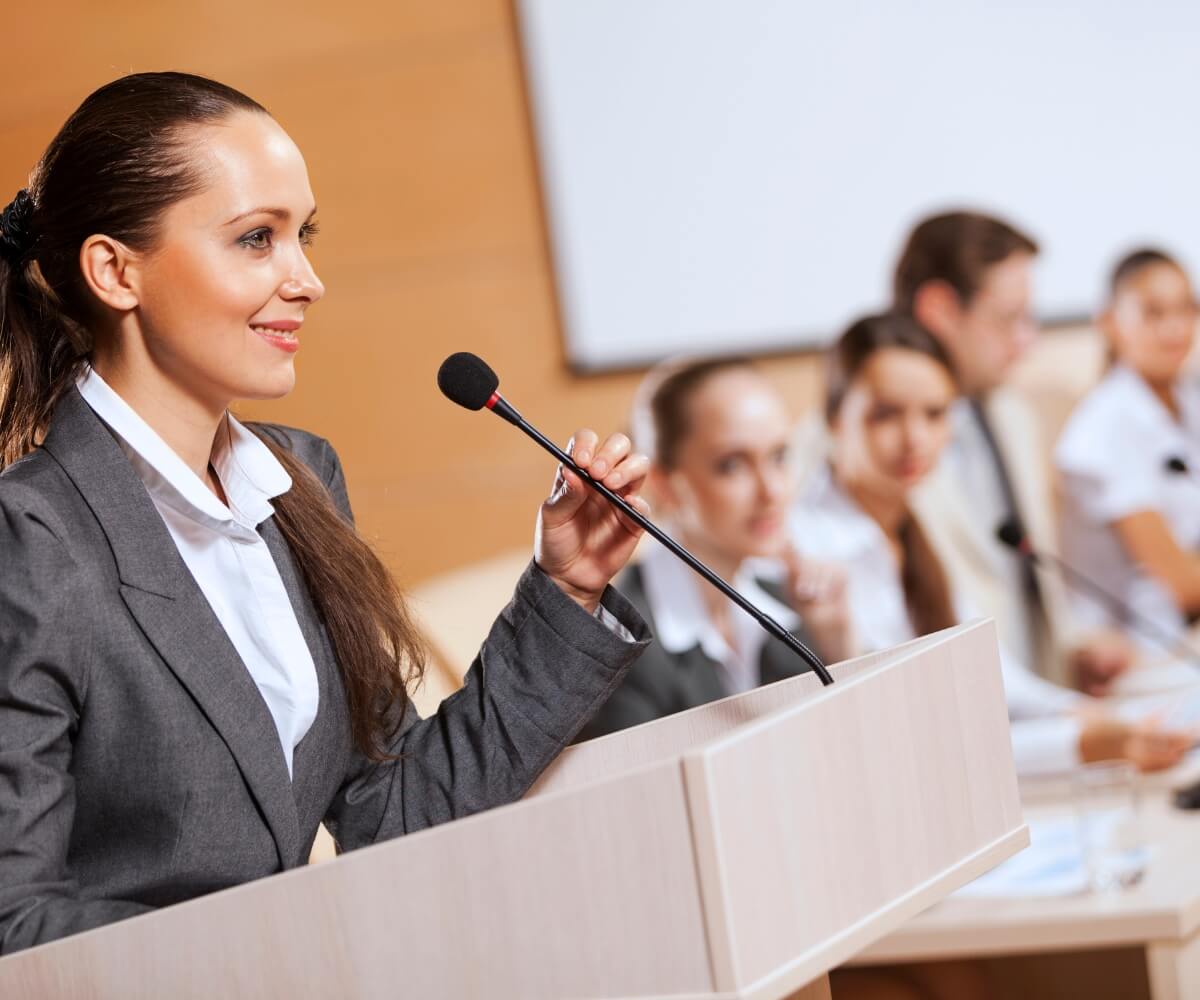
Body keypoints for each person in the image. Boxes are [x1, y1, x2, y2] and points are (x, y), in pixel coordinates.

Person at [0, 72, 654, 955]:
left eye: (302, 235)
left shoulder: (301, 479)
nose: (306, 280)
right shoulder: (29, 540)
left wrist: (566, 587)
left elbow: (392, 809)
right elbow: (16, 920)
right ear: (117, 271)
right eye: (256, 239)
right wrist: (291, 953)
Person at [791, 312, 1192, 776]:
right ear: (835, 418)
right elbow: (913, 742)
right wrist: (1083, 740)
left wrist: (1095, 718)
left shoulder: (913, 526)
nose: (915, 438)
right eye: (886, 415)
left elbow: (996, 680)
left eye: (935, 414)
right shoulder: (811, 550)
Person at [896, 210, 1132, 694]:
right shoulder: (866, 445)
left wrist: (1070, 653)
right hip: (953, 712)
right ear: (940, 309)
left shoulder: (1012, 414)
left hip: (1040, 717)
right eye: (1008, 318)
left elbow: (1022, 580)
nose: (1027, 340)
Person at [576, 358, 852, 740]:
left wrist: (835, 643)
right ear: (666, 484)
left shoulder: (787, 602)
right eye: (732, 465)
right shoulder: (616, 651)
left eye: (778, 457)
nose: (771, 491)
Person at [1056, 249, 1200, 652]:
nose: (1176, 329)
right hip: (1146, 651)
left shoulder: (1188, 399)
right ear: (1109, 323)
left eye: (1187, 309)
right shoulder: (1100, 431)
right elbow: (1183, 585)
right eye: (1153, 313)